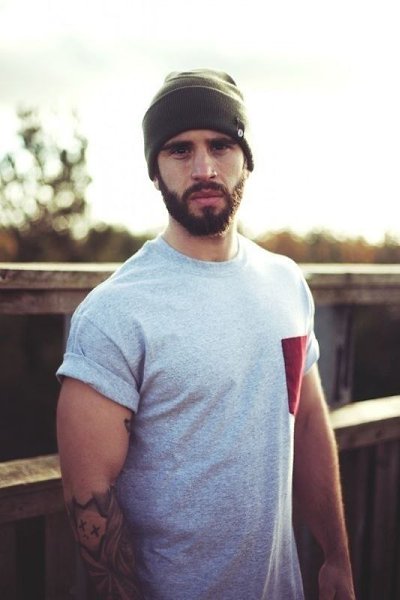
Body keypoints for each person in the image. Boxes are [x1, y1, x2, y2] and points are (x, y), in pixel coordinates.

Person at [56, 69, 355, 600]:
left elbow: (308, 421)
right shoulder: (114, 313)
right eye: (179, 150)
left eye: (221, 145)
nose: (203, 168)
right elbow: (91, 497)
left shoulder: (285, 282)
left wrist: (337, 557)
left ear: (247, 159)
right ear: (154, 171)